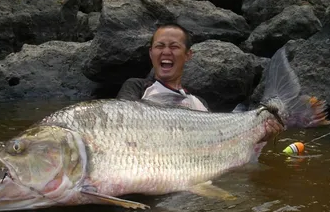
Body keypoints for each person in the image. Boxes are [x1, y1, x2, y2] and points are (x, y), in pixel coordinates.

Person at [117, 23, 283, 142]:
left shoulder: (199, 104)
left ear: (188, 55)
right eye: (159, 46)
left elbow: (222, 141)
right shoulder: (136, 87)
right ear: (151, 53)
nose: (166, 52)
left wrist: (260, 136)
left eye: (174, 47)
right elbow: (123, 126)